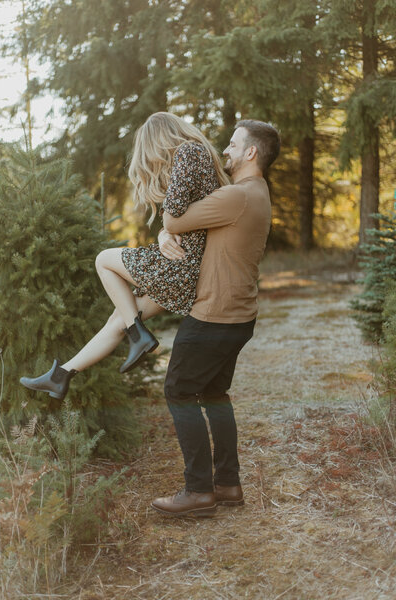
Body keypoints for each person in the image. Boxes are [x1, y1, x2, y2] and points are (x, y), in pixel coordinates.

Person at [19, 112, 228, 400]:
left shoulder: (190, 151)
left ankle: (138, 336)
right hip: (187, 269)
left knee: (103, 259)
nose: (153, 161)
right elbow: (180, 216)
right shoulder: (196, 156)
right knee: (119, 317)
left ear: (160, 140)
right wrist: (165, 232)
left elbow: (174, 210)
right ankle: (61, 376)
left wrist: (166, 229)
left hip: (180, 266)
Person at [151, 119, 280, 518]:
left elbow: (174, 220)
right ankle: (227, 483)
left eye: (233, 144)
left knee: (178, 391)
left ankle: (198, 491)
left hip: (213, 315)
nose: (224, 149)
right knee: (213, 394)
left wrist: (163, 232)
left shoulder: (238, 195)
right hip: (238, 316)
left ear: (250, 153)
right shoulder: (254, 194)